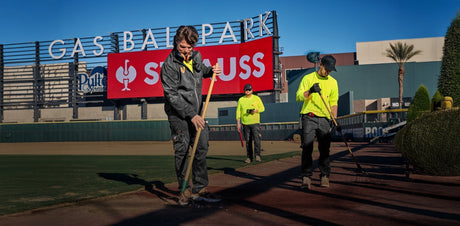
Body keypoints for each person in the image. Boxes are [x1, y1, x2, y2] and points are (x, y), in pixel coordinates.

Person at [160, 25, 222, 205]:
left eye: (190, 47)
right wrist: (190, 114)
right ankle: (184, 190)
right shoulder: (169, 66)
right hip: (178, 114)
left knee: (201, 148)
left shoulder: (196, 56)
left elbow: (200, 70)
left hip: (197, 112)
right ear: (176, 43)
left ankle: (200, 189)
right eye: (183, 47)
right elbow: (171, 95)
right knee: (182, 151)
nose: (186, 51)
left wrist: (211, 71)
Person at [295, 55, 339, 190]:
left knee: (325, 149)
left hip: (325, 119)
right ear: (321, 64)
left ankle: (325, 175)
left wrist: (334, 119)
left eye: (331, 70)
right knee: (307, 147)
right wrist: (310, 91)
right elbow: (298, 97)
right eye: (327, 69)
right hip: (309, 117)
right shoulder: (308, 78)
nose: (329, 72)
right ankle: (306, 177)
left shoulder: (333, 82)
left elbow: (333, 103)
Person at [236, 83, 265, 163]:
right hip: (245, 123)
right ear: (244, 91)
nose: (248, 91)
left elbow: (263, 108)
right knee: (248, 141)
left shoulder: (256, 98)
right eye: (246, 90)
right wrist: (238, 123)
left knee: (257, 140)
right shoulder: (241, 100)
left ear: (252, 90)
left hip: (255, 123)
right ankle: (249, 157)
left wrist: (256, 110)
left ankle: (258, 156)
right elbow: (238, 112)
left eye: (249, 90)